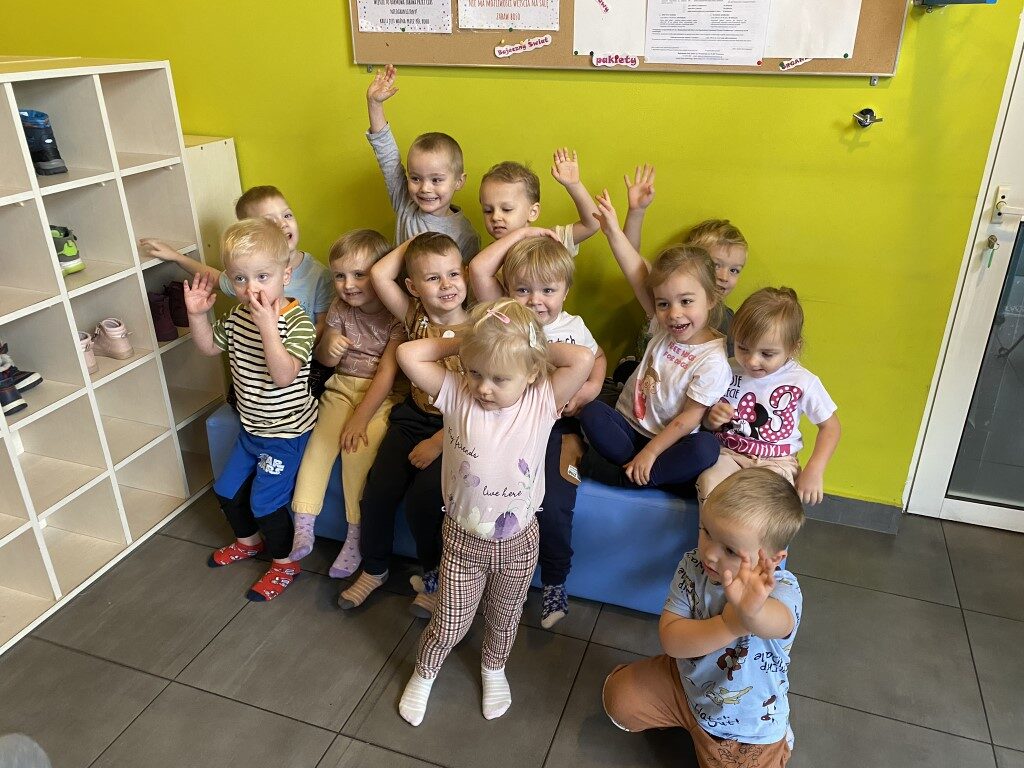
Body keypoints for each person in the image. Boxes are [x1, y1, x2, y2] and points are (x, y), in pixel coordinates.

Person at [395, 298, 594, 725]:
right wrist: (470, 341)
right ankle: (425, 672)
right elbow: (408, 354)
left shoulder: (542, 400)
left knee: (504, 620)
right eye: (476, 372)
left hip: (519, 542)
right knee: (449, 623)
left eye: (499, 378)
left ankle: (493, 668)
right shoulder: (456, 393)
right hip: (463, 541)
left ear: (532, 372)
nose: (484, 387)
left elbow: (581, 358)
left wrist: (525, 344)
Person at [602, 468, 805, 768]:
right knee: (619, 699)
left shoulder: (782, 590)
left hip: (745, 729)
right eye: (706, 531)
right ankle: (687, 718)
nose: (709, 553)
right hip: (687, 687)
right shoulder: (693, 566)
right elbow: (671, 639)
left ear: (773, 560)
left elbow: (780, 622)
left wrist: (751, 613)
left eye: (730, 550)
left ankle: (780, 742)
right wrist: (728, 625)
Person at [469, 231, 605, 628]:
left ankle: (555, 582)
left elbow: (598, 357)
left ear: (565, 290)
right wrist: (528, 232)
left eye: (548, 290)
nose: (535, 300)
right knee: (488, 494)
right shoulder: (506, 319)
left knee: (555, 504)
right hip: (508, 427)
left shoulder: (574, 326)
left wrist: (591, 388)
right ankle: (484, 575)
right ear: (508, 289)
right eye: (523, 289)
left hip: (559, 429)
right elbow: (478, 268)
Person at [183, 218, 317, 601]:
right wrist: (197, 315)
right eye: (240, 279)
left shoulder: (299, 323)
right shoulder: (239, 317)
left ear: (285, 275)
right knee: (225, 491)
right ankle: (249, 542)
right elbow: (209, 347)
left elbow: (284, 376)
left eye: (262, 276)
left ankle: (286, 564)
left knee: (265, 503)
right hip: (252, 429)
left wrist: (269, 328)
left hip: (286, 434)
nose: (251, 288)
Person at [338, 232, 469, 617]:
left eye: (453, 274)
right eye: (432, 278)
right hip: (412, 417)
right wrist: (414, 242)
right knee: (377, 490)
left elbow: (481, 404)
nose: (446, 286)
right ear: (412, 287)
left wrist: (440, 441)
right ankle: (374, 568)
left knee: (423, 502)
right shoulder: (414, 316)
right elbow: (380, 274)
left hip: (457, 428)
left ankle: (434, 578)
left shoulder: (481, 327)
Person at [578, 190, 729, 490]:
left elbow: (688, 419)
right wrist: (612, 231)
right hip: (628, 428)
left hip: (668, 442)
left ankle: (628, 476)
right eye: (663, 304)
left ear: (711, 299)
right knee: (592, 412)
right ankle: (640, 473)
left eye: (686, 301)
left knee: (706, 448)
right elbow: (636, 272)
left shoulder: (713, 359)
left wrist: (650, 453)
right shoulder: (663, 327)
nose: (674, 314)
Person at [289, 229, 405, 577]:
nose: (348, 284)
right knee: (319, 447)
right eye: (339, 275)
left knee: (357, 454)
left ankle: (355, 535)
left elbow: (387, 373)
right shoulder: (340, 309)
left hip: (381, 396)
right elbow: (323, 361)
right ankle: (304, 524)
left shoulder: (396, 315)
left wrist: (360, 419)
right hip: (340, 388)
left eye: (359, 274)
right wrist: (329, 347)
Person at [697, 288, 841, 506]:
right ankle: (709, 529)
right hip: (729, 455)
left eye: (766, 354)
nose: (752, 361)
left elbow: (831, 427)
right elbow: (706, 420)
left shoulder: (802, 381)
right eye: (743, 348)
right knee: (708, 483)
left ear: (793, 348)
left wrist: (815, 469)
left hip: (777, 462)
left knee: (765, 504)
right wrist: (712, 418)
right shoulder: (726, 369)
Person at [140, 185, 333, 327]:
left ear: (286, 275)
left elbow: (323, 325)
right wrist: (176, 257)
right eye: (269, 222)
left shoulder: (318, 274)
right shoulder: (249, 278)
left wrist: (294, 352)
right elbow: (215, 278)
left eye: (287, 215)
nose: (282, 224)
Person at [365, 65, 479, 262]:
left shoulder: (465, 234)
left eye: (436, 180)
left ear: (459, 181)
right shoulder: (405, 203)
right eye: (416, 178)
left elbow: (466, 277)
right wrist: (375, 104)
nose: (425, 188)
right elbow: (387, 156)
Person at [477, 153, 599, 255]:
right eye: (488, 211)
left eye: (506, 209)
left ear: (533, 212)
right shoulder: (487, 255)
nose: (495, 217)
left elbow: (592, 224)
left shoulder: (549, 241)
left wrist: (574, 186)